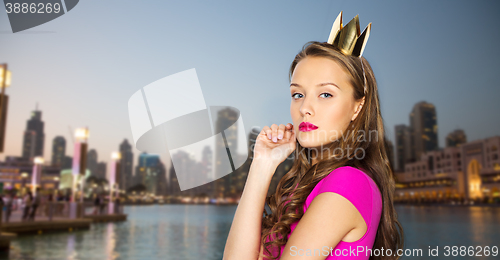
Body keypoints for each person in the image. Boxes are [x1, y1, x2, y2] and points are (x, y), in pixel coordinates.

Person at [223, 11, 404, 260]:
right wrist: (262, 165)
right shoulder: (308, 186)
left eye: (326, 94)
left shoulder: (348, 182)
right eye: (298, 94)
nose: (305, 108)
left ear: (357, 106)